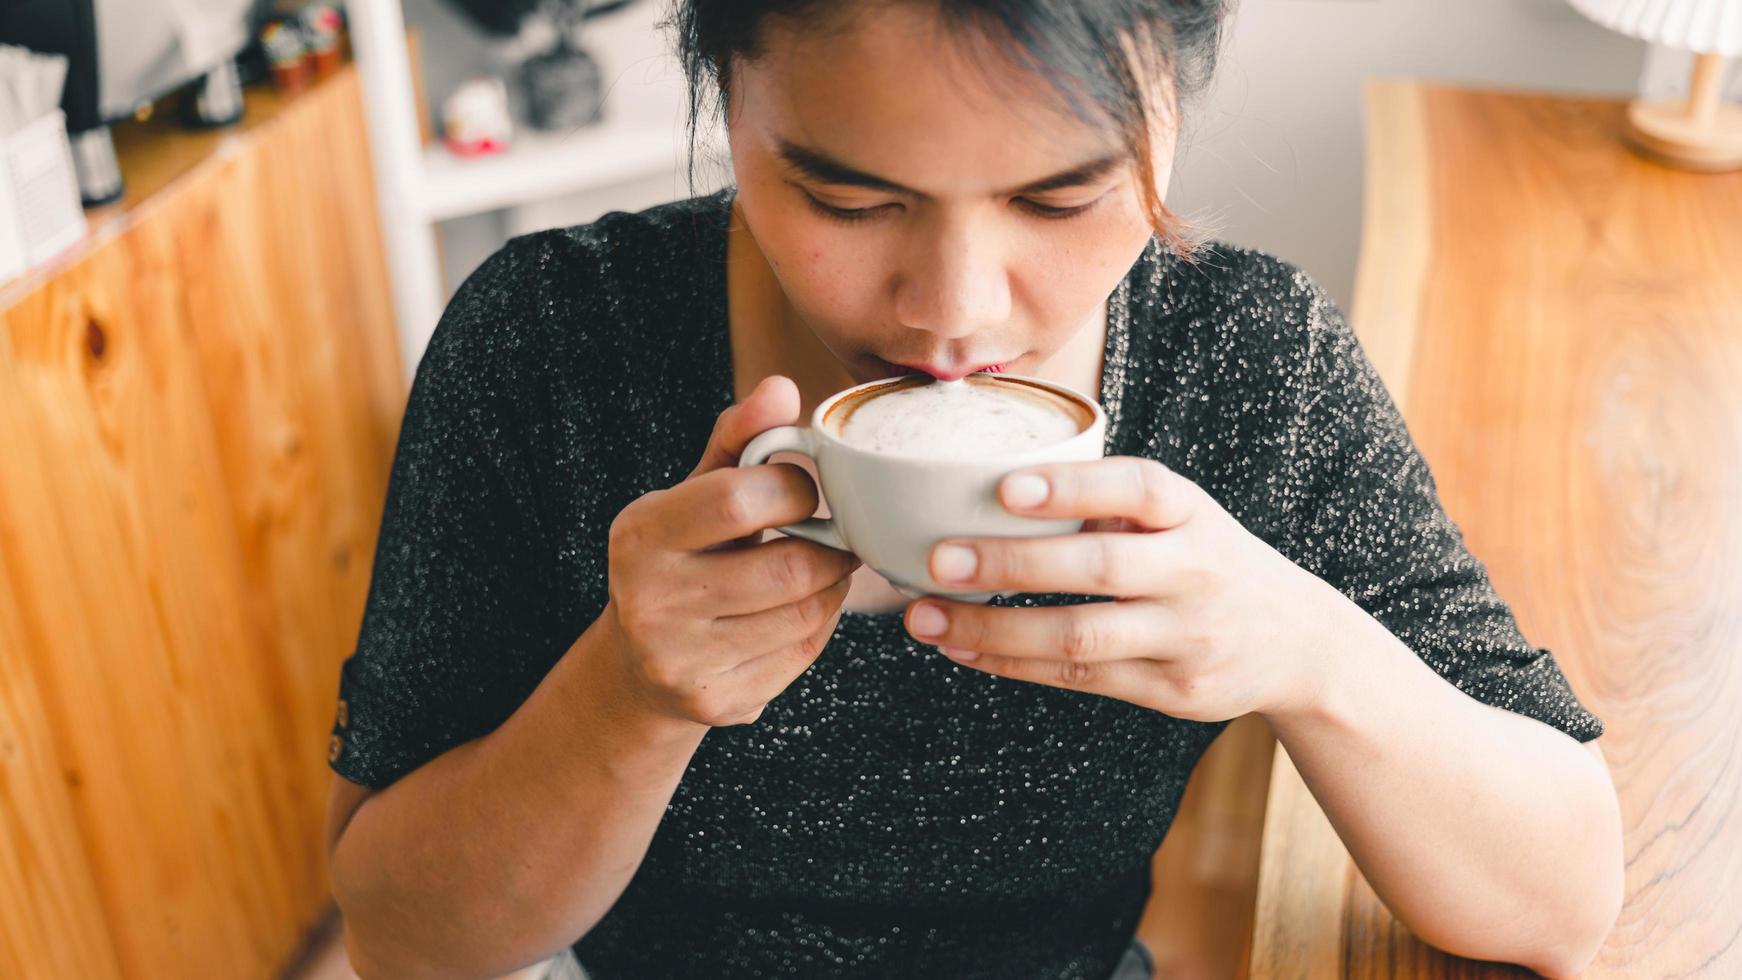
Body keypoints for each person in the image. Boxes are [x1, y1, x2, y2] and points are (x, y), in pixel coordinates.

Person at [321, 2, 1625, 978]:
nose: (951, 312)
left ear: (1170, 106)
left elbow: (1561, 896)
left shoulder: (1245, 361)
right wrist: (624, 699)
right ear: (724, 92)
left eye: (1060, 198)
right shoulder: (553, 344)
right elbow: (399, 937)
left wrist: (1303, 652)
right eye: (848, 198)